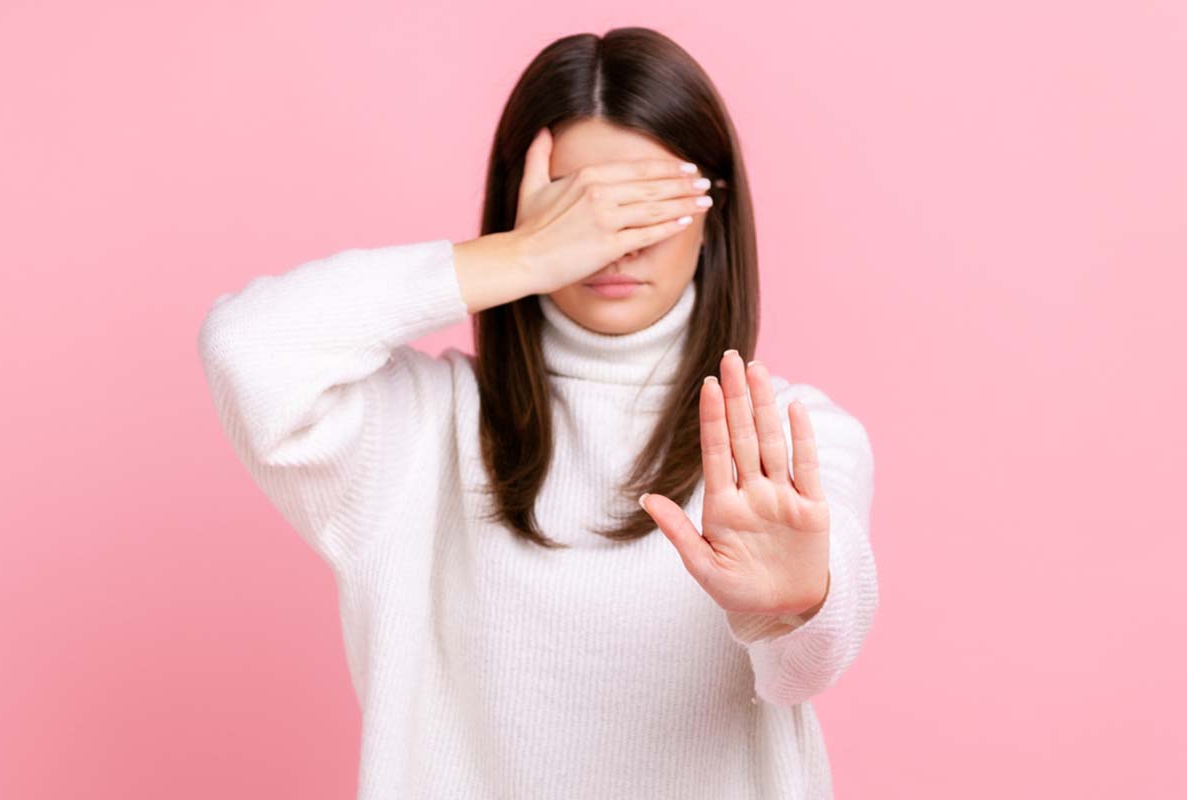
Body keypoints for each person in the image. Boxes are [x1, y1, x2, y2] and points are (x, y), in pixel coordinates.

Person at [197, 26, 878, 800]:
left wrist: (793, 605)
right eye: (579, 206)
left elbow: (804, 669)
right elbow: (247, 348)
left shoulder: (790, 436)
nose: (612, 245)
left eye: (647, 203)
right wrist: (521, 259)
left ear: (712, 213)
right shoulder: (418, 428)